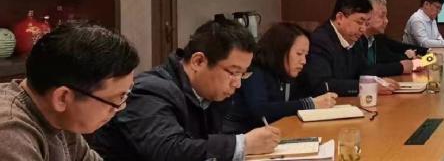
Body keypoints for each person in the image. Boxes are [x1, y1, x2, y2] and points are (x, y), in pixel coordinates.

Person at [90, 19, 281, 161]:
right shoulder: (150, 90)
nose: (237, 84)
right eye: (233, 72)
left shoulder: (210, 94)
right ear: (198, 61)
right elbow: (168, 151)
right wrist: (242, 145)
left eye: (243, 74)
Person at [0, 22, 138, 161]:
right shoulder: (10, 134)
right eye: (116, 99)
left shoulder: (62, 118)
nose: (121, 106)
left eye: (125, 95)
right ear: (62, 98)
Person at [223, 23, 338, 133]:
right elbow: (260, 110)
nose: (303, 61)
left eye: (305, 55)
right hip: (237, 137)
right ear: (280, 50)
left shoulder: (285, 74)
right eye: (299, 54)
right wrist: (310, 104)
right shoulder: (255, 69)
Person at [301, 0, 399, 97]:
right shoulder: (320, 41)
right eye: (359, 22)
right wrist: (366, 87)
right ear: (340, 18)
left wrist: (379, 81)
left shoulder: (355, 39)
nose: (363, 29)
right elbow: (323, 85)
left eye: (366, 23)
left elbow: (364, 69)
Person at [359, 0, 426, 74]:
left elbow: (394, 51)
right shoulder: (356, 40)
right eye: (381, 16)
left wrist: (416, 59)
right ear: (366, 16)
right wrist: (404, 62)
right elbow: (364, 70)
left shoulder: (376, 37)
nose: (386, 21)